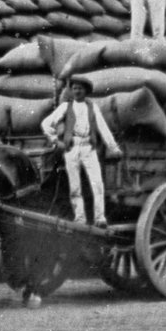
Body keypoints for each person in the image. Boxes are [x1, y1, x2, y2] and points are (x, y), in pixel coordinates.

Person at [41, 75, 122, 228]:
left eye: (80, 89)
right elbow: (46, 123)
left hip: (88, 149)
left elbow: (103, 128)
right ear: (71, 91)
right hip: (71, 149)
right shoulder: (65, 107)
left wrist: (114, 147)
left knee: (97, 183)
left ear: (86, 91)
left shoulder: (93, 107)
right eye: (74, 88)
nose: (77, 91)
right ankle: (80, 218)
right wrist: (55, 140)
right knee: (75, 187)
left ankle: (100, 218)